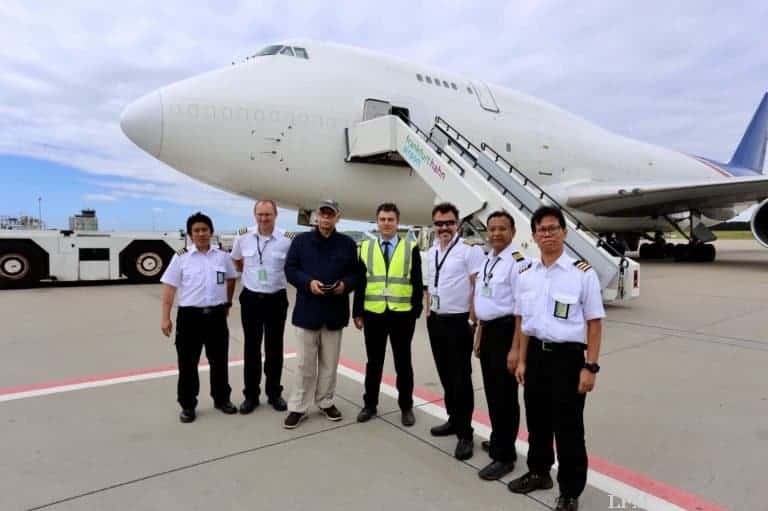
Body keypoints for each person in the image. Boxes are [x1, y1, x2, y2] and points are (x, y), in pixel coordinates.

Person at [508, 206, 605, 511]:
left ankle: (570, 490)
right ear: (534, 236)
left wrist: (590, 366)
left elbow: (594, 322)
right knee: (536, 421)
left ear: (564, 232)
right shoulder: (527, 274)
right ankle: (539, 472)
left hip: (568, 359)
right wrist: (522, 360)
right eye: (541, 230)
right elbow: (524, 322)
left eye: (553, 228)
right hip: (536, 354)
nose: (547, 234)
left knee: (569, 427)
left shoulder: (582, 274)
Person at [283, 200, 360, 429]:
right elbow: (290, 269)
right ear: (317, 217)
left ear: (337, 218)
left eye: (331, 215)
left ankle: (325, 402)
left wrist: (344, 286)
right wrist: (308, 283)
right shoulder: (301, 241)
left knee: (329, 364)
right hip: (308, 310)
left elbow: (355, 274)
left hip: (335, 312)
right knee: (305, 364)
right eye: (323, 214)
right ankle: (298, 407)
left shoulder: (347, 244)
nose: (326, 218)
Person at [160, 212, 238, 423]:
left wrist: (227, 303)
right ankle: (187, 405)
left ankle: (222, 399)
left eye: (205, 230)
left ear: (212, 232)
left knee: (220, 361)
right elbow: (169, 288)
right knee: (187, 364)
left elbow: (231, 279)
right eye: (197, 230)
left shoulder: (222, 256)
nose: (201, 233)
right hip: (189, 318)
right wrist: (165, 318)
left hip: (216, 317)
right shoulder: (181, 257)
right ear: (190, 234)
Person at [353, 203, 423, 427]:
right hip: (374, 313)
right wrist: (357, 312)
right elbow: (361, 282)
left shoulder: (410, 248)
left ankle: (406, 407)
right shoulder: (366, 247)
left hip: (402, 315)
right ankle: (370, 405)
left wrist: (415, 311)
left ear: (397, 222)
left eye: (390, 219)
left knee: (403, 363)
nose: (386, 223)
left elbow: (417, 281)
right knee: (374, 362)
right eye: (382, 219)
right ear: (377, 222)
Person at [425, 202, 485, 460]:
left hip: (459, 322)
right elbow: (430, 285)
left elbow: (478, 286)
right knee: (446, 375)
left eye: (448, 222)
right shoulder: (432, 251)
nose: (443, 227)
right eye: (439, 223)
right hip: (436, 320)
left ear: (458, 224)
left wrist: (472, 321)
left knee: (461, 379)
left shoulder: (469, 251)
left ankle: (465, 433)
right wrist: (428, 311)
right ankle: (453, 419)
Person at [471, 210, 526, 480]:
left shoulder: (517, 263)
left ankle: (505, 456)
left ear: (512, 232)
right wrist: (480, 332)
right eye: (491, 229)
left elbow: (520, 310)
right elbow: (484, 299)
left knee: (505, 397)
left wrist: (516, 349)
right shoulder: (488, 259)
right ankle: (497, 439)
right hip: (489, 330)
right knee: (493, 392)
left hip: (507, 333)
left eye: (501, 229)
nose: (495, 233)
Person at [231, 199, 291, 414]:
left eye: (268, 214)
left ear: (276, 215)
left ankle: (274, 393)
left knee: (275, 349)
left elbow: (291, 266)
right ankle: (251, 396)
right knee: (251, 349)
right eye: (260, 215)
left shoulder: (286, 240)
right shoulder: (243, 236)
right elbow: (237, 261)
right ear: (254, 215)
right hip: (251, 299)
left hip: (276, 299)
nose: (264, 219)